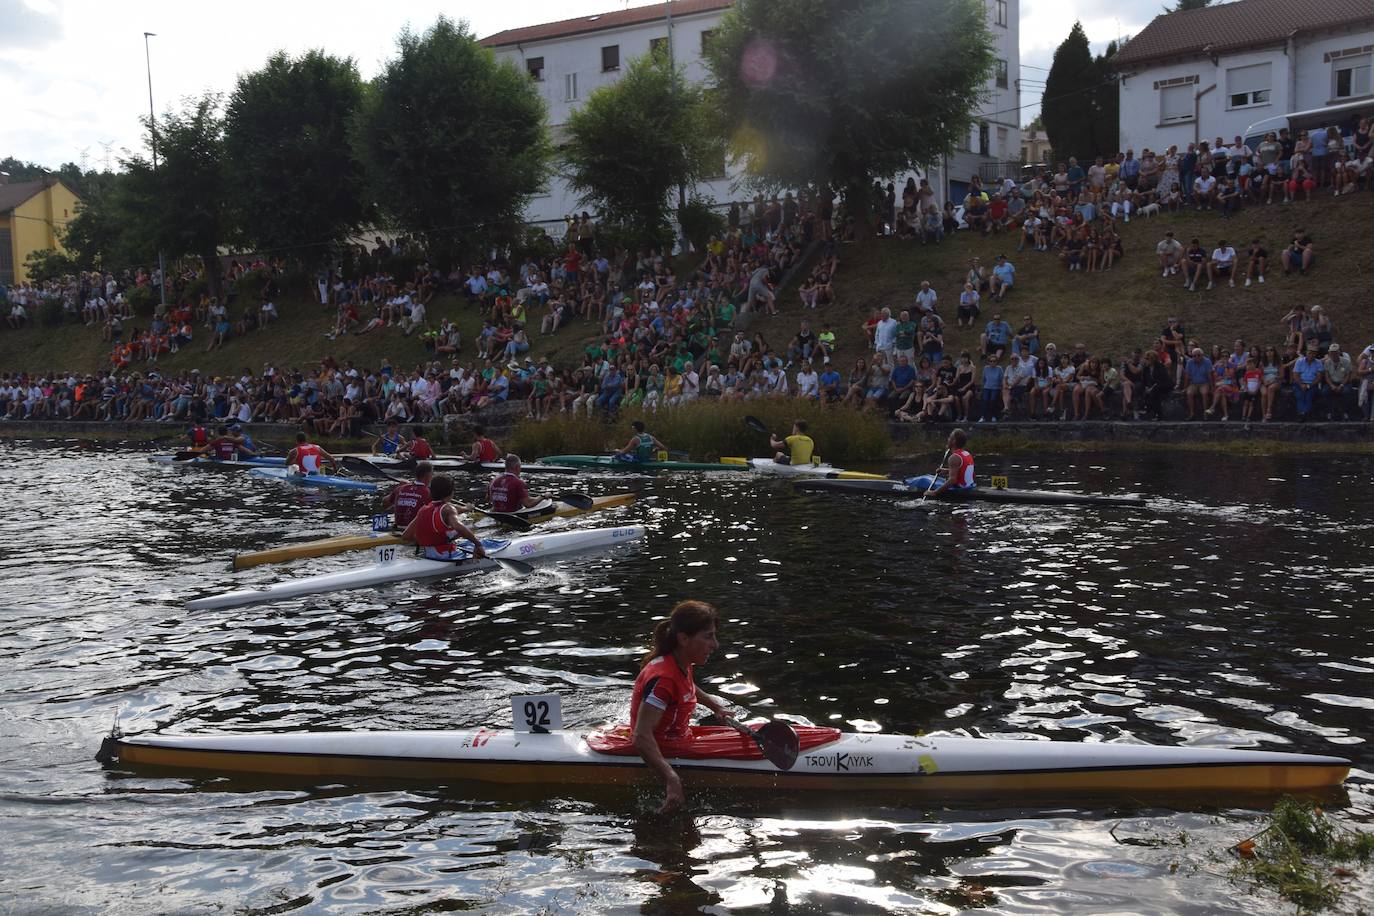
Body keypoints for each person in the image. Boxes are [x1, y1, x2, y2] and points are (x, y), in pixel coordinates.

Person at [631, 600, 737, 813]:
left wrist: (716, 707)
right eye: (708, 636)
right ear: (683, 639)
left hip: (680, 737)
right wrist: (671, 778)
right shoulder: (664, 680)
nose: (715, 645)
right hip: (659, 747)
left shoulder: (679, 662)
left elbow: (688, 686)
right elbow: (641, 736)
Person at [400, 474, 486, 560]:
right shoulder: (448, 509)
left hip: (428, 555)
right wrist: (478, 545)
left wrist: (428, 540)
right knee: (472, 532)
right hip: (446, 556)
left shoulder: (423, 510)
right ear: (451, 492)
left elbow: (406, 536)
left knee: (459, 537)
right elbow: (458, 526)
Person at [906, 428, 975, 495]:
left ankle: (907, 485)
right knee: (930, 477)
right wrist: (947, 470)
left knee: (923, 479)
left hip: (959, 489)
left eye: (949, 437)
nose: (948, 439)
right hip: (969, 487)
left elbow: (952, 480)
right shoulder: (967, 454)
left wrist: (934, 492)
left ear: (953, 441)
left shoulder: (954, 457)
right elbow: (963, 471)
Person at [383, 460, 433, 529]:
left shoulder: (400, 488)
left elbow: (384, 503)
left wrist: (397, 489)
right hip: (413, 533)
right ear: (428, 475)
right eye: (432, 475)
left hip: (398, 529)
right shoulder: (428, 493)